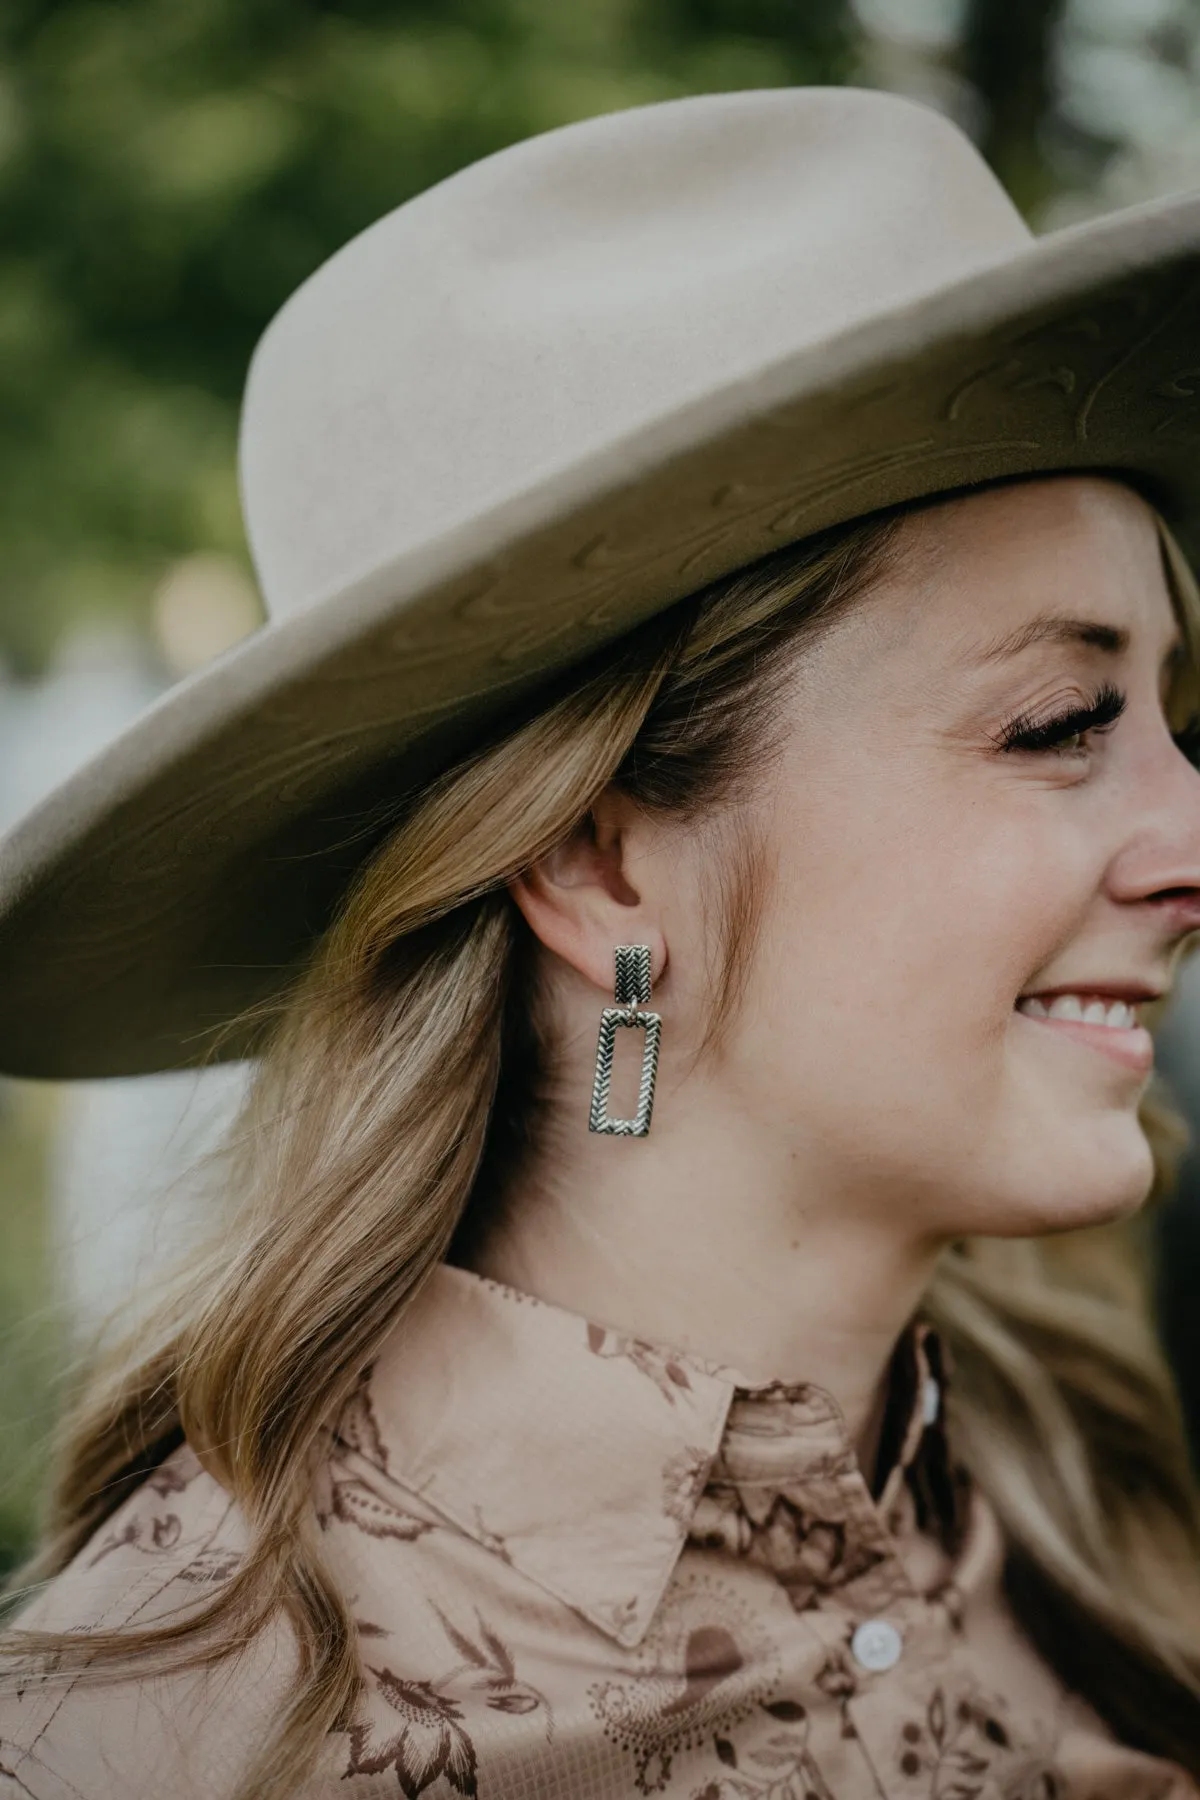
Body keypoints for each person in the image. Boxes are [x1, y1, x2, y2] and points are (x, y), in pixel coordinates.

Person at [2, 83, 1200, 1800]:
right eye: (1061, 720)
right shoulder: (152, 1752)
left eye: (1175, 713)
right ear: (600, 869)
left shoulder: (1074, 1513)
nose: (1190, 837)